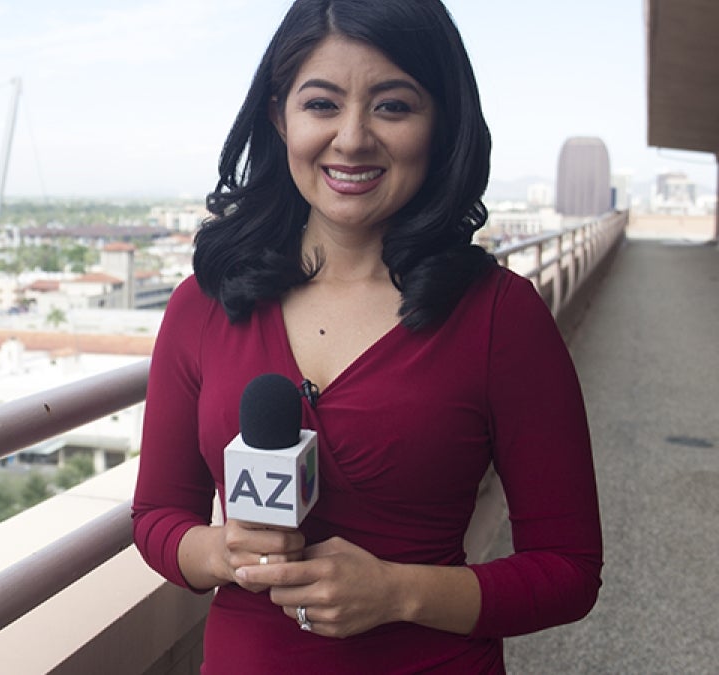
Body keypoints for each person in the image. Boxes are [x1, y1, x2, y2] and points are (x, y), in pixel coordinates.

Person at [130, 0, 603, 672]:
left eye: (393, 106)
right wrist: (224, 552)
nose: (351, 138)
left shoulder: (502, 316)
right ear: (279, 116)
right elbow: (156, 516)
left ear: (441, 123)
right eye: (321, 104)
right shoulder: (202, 304)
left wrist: (397, 592)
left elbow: (569, 571)